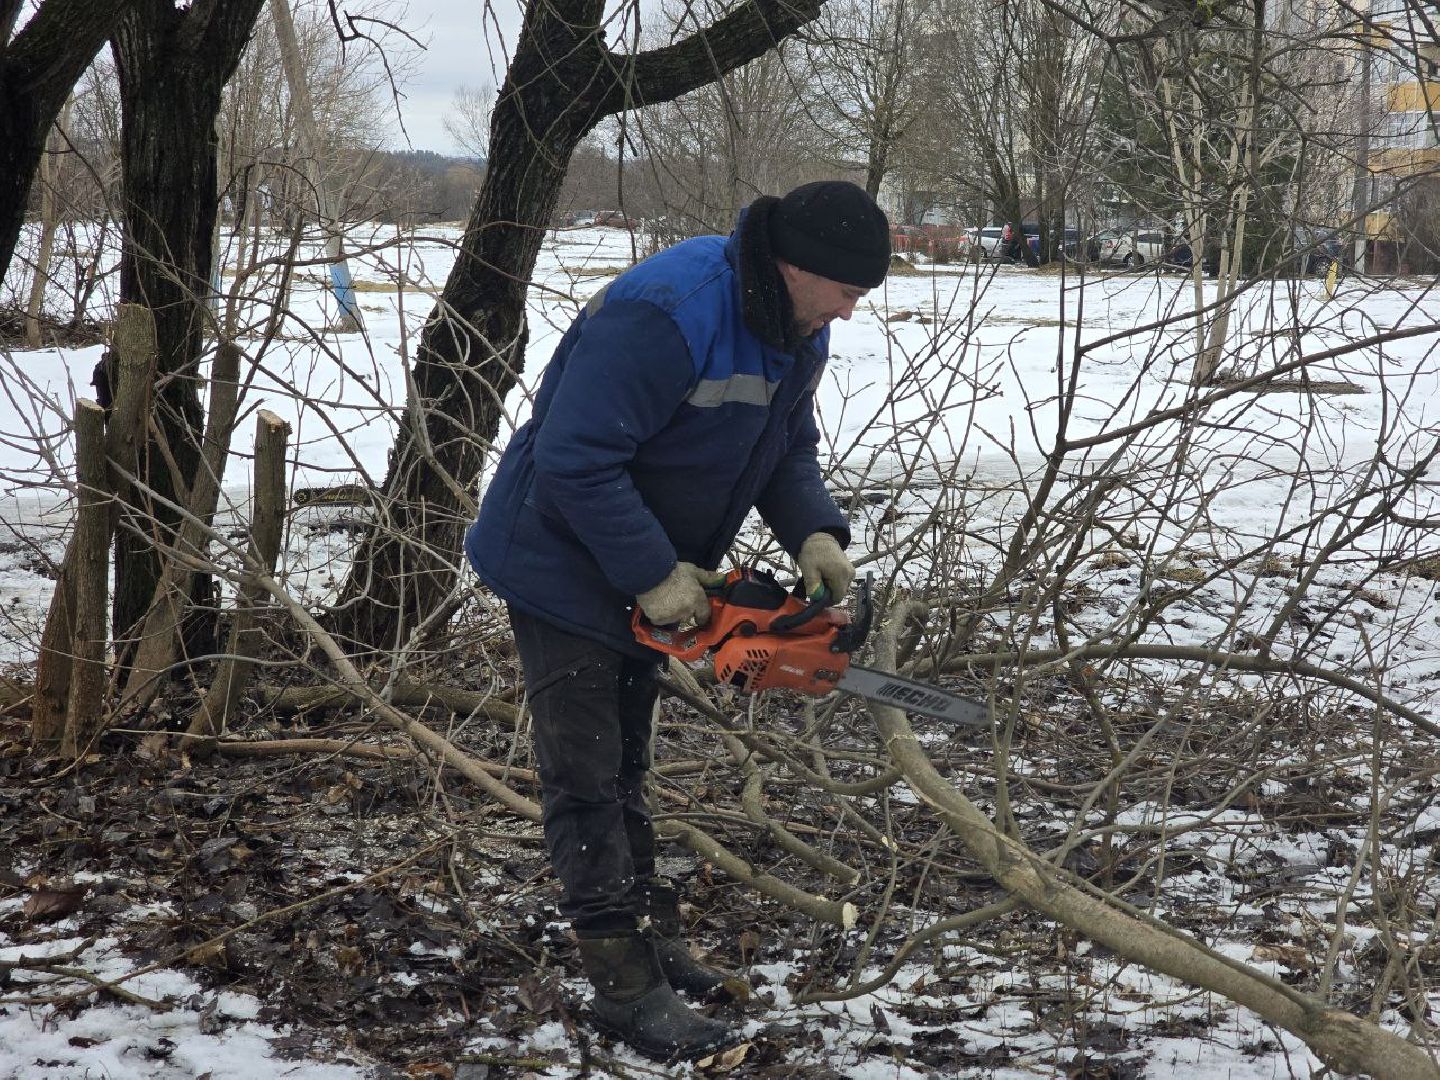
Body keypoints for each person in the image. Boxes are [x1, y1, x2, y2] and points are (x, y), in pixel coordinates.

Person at [464, 180, 890, 1060]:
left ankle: (652, 938)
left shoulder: (790, 327)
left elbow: (786, 446)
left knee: (628, 757)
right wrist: (654, 575)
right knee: (584, 771)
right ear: (797, 268)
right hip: (559, 558)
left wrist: (813, 529)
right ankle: (621, 981)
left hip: (649, 567)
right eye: (846, 294)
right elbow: (577, 458)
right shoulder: (667, 312)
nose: (849, 314)